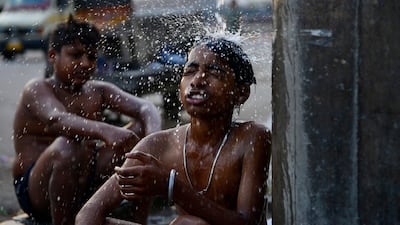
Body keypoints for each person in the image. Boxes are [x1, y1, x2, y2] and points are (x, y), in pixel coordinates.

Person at [76, 37, 271, 225]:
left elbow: (247, 222)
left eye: (214, 73)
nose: (197, 80)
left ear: (241, 93)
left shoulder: (252, 138)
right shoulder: (158, 145)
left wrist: (170, 185)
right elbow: (88, 213)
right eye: (190, 71)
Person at [12, 16, 162, 225]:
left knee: (141, 138)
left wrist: (152, 140)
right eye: (75, 55)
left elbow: (146, 107)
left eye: (91, 57)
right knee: (69, 144)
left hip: (85, 180)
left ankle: (138, 222)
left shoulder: (98, 90)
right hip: (37, 191)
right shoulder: (38, 89)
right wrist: (106, 130)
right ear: (53, 56)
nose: (85, 63)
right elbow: (57, 119)